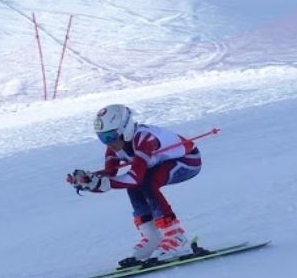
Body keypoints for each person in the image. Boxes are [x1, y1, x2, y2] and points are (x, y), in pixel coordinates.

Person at [66, 104, 202, 267]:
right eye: (103, 138)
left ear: (126, 128)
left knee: (146, 183)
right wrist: (89, 181)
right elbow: (111, 176)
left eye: (111, 136)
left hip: (188, 161)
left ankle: (176, 237)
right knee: (133, 184)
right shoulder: (113, 148)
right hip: (162, 164)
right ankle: (152, 236)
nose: (109, 143)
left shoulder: (144, 139)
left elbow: (132, 178)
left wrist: (103, 182)